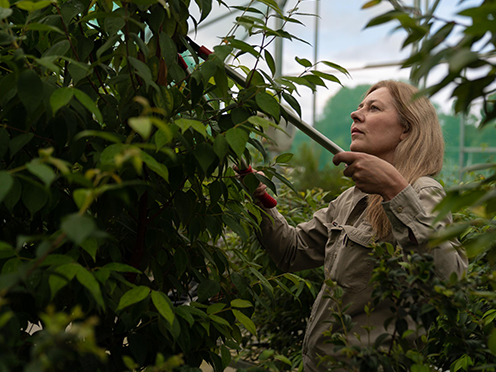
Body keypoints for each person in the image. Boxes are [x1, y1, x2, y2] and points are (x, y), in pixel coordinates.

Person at [251, 80, 468, 371]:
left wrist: (394, 191)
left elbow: (450, 281)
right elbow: (292, 250)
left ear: (407, 128)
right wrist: (256, 196)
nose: (356, 114)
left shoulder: (422, 192)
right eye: (358, 107)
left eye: (374, 108)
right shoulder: (353, 198)